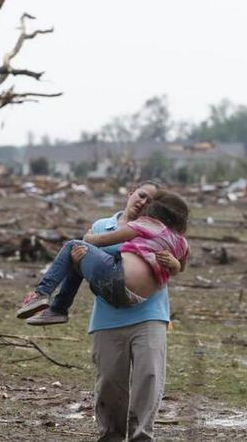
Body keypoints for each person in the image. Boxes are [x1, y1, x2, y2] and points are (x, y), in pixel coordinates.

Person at [26, 181, 179, 441]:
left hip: (150, 315)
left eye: (150, 201)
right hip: (108, 318)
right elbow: (93, 269)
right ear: (130, 193)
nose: (142, 202)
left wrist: (174, 263)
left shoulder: (159, 230)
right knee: (109, 383)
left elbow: (176, 263)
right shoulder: (101, 227)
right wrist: (79, 263)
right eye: (141, 195)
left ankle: (142, 436)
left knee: (149, 379)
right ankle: (111, 436)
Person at [16, 189, 189, 318]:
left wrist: (88, 237)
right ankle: (57, 310)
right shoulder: (182, 242)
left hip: (118, 280)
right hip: (135, 299)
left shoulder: (147, 223)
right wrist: (175, 264)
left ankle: (42, 294)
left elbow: (103, 241)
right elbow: (181, 267)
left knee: (73, 246)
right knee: (79, 256)